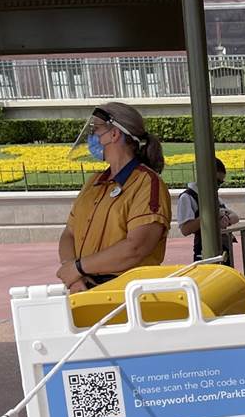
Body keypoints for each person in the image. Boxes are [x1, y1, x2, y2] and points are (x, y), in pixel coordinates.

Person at [58, 102, 171, 292]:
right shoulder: (94, 182)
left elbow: (135, 248)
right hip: (84, 289)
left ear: (114, 134)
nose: (92, 136)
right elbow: (69, 233)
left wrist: (78, 268)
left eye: (96, 129)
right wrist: (73, 274)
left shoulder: (146, 183)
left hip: (125, 295)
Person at [177, 157, 240, 264]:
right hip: (204, 250)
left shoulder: (213, 196)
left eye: (220, 183)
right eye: (216, 181)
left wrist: (225, 218)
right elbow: (185, 229)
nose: (218, 186)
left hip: (223, 248)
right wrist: (211, 216)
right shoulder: (188, 197)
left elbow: (235, 217)